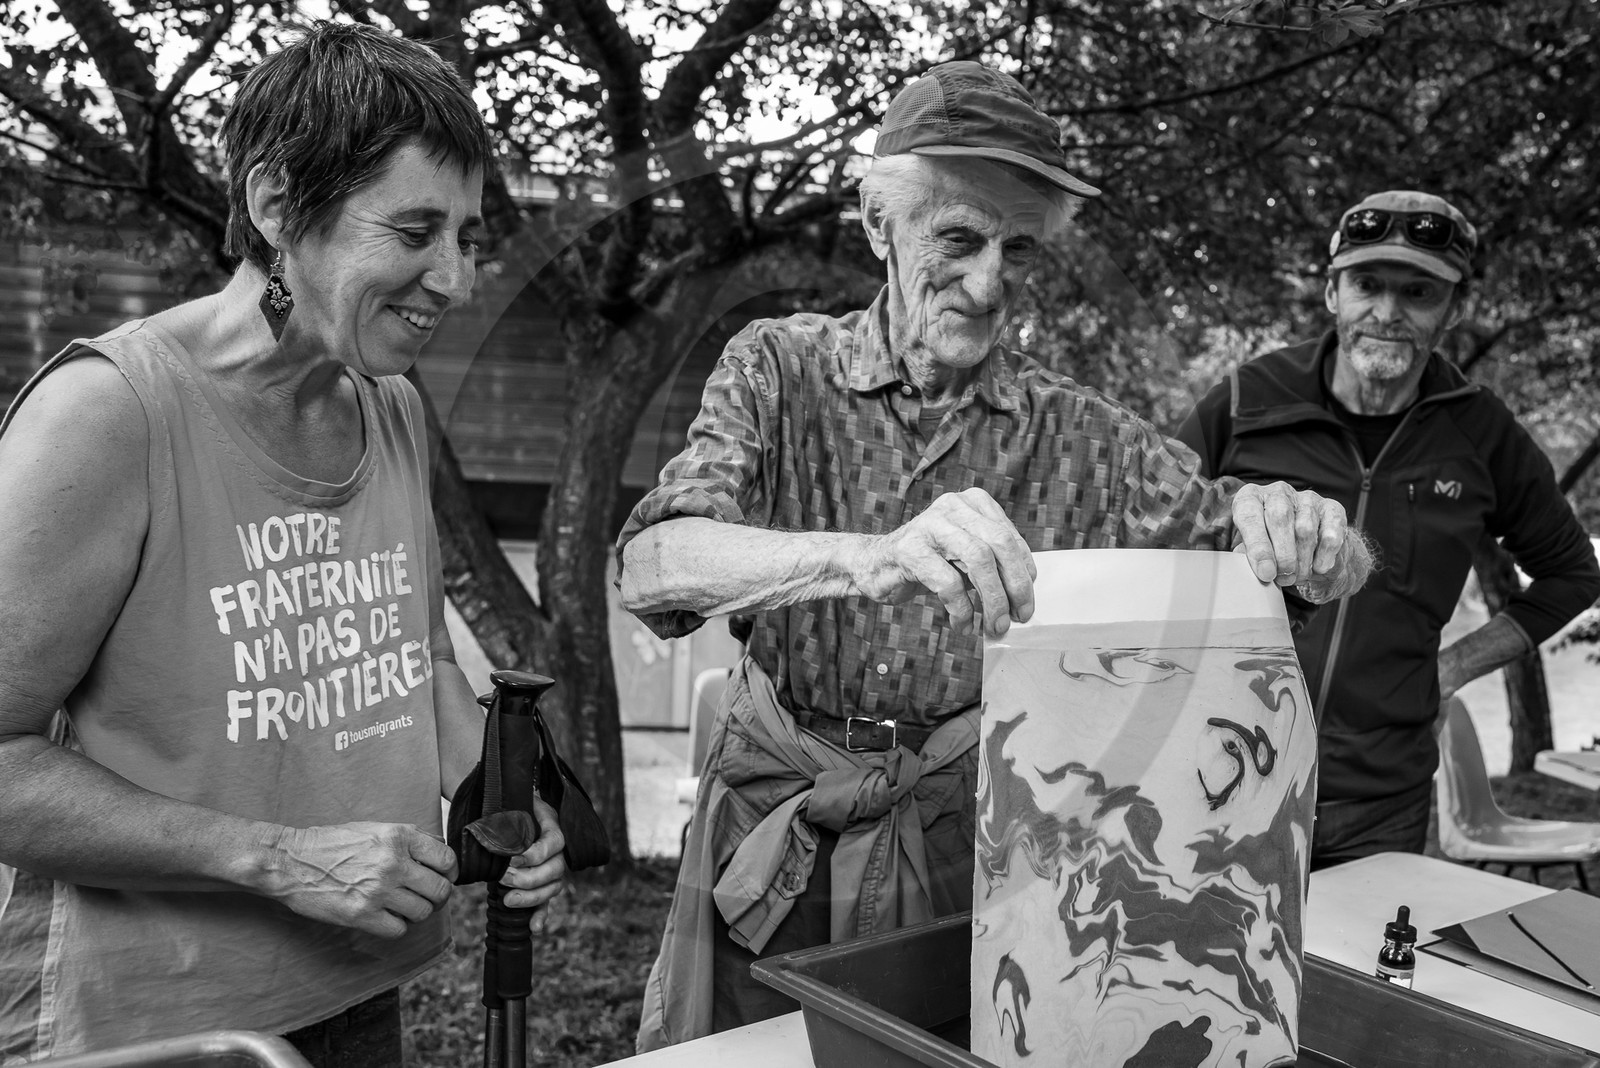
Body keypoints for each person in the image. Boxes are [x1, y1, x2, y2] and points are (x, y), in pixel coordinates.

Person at [617, 60, 1372, 1051]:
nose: (988, 284)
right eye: (959, 239)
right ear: (878, 223)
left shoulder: (1078, 433)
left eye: (1017, 249)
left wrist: (1310, 534)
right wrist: (869, 557)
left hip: (968, 847)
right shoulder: (779, 368)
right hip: (773, 831)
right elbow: (653, 565)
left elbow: (1273, 548)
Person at [0, 24, 566, 1065]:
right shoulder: (110, 414)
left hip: (356, 985)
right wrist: (279, 857)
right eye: (415, 230)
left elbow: (418, 659)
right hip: (150, 1027)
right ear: (275, 203)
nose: (454, 278)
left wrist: (498, 798)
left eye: (466, 236)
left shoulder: (388, 402)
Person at [1176, 189, 1600, 870]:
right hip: (1216, 773)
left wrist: (1453, 669)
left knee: (1361, 947)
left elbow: (1573, 575)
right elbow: (1153, 543)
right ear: (1332, 294)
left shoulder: (1481, 432)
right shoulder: (1246, 400)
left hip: (1377, 801)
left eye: (1418, 292)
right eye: (1367, 285)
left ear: (1453, 309)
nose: (1387, 312)